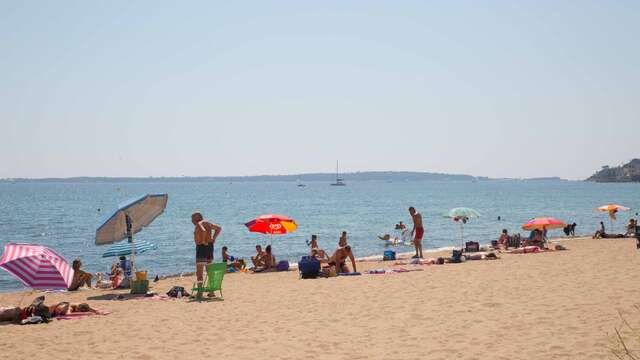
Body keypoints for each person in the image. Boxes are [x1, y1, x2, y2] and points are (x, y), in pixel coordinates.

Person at [191, 212, 222, 293]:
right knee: (209, 271)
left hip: (201, 248)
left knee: (199, 273)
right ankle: (211, 292)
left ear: (196, 219)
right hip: (210, 247)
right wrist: (214, 238)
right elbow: (219, 228)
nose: (191, 221)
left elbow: (203, 231)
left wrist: (203, 241)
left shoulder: (199, 223)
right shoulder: (208, 223)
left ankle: (200, 292)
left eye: (192, 219)